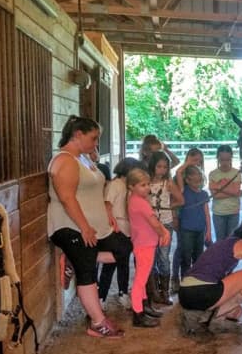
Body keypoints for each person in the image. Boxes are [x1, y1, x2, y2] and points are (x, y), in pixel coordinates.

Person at [47, 115, 133, 338]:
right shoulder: (64, 161)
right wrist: (84, 227)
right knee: (87, 273)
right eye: (94, 138)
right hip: (70, 226)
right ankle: (97, 322)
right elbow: (67, 198)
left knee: (124, 248)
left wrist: (107, 212)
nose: (96, 143)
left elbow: (96, 188)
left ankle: (74, 259)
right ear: (78, 135)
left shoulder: (84, 159)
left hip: (96, 225)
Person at [127, 168, 172, 327]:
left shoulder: (136, 199)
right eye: (142, 185)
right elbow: (154, 222)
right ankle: (138, 313)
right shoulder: (140, 203)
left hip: (144, 243)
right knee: (140, 280)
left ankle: (144, 306)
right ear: (131, 187)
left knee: (143, 278)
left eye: (147, 184)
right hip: (145, 244)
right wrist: (164, 232)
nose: (147, 188)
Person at [98, 157, 144, 310]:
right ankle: (101, 297)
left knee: (123, 263)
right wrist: (113, 224)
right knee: (110, 265)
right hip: (117, 228)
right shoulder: (115, 185)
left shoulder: (128, 186)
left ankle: (122, 293)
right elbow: (107, 205)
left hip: (127, 227)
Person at [147, 151, 182, 304]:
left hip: (165, 224)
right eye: (159, 166)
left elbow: (181, 200)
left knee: (163, 257)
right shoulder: (145, 182)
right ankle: (153, 291)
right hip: (148, 225)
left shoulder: (168, 183)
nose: (162, 170)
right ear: (152, 166)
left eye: (165, 167)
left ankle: (165, 292)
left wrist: (166, 206)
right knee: (151, 258)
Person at [173, 164, 212, 285]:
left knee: (198, 257)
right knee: (186, 257)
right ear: (187, 180)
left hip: (200, 230)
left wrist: (209, 231)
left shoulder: (204, 194)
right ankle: (184, 281)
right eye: (194, 180)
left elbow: (207, 214)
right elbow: (178, 173)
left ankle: (195, 281)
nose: (197, 182)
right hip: (186, 231)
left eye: (199, 179)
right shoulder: (183, 191)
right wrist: (189, 162)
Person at [208, 145, 242, 241]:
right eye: (222, 159)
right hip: (218, 213)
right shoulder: (213, 174)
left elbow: (235, 191)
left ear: (231, 158)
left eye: (227, 159)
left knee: (232, 241)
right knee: (220, 241)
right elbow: (216, 195)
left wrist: (218, 186)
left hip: (233, 212)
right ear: (217, 158)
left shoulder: (237, 173)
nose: (225, 162)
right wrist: (233, 192)